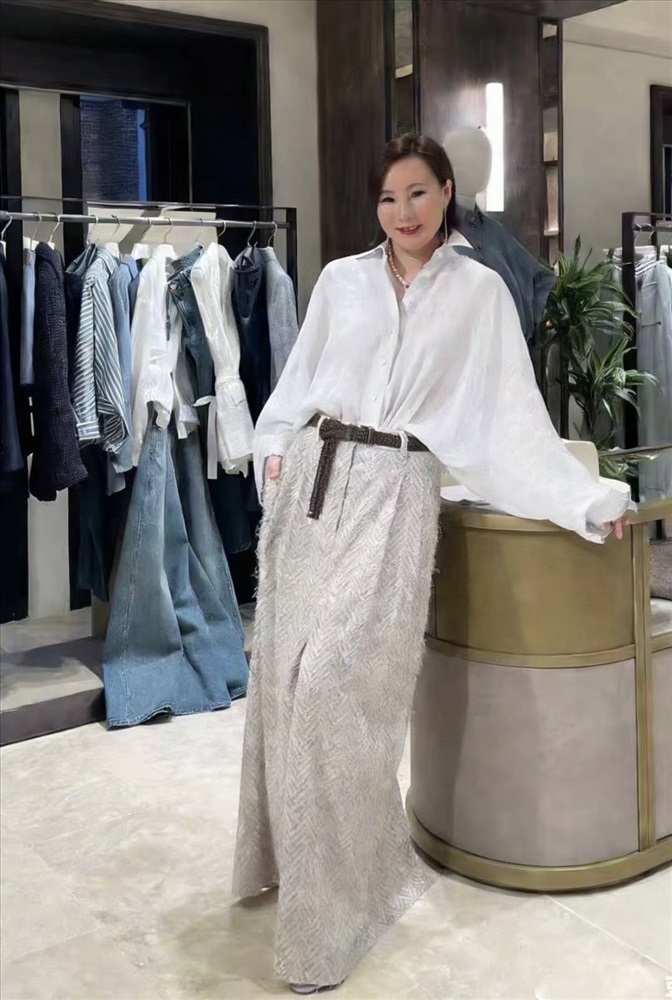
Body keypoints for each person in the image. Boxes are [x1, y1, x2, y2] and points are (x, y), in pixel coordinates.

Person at [232, 133, 629, 994]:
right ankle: (296, 867)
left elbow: (509, 421)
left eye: (417, 193)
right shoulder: (340, 282)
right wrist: (272, 450)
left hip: (397, 496)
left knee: (337, 687)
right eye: (387, 198)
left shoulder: (480, 293)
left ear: (447, 193)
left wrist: (587, 499)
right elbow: (296, 386)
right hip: (313, 486)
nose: (402, 212)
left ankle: (345, 898)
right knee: (283, 683)